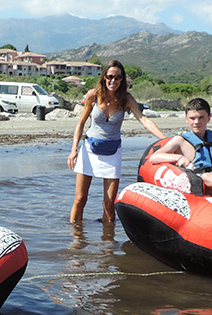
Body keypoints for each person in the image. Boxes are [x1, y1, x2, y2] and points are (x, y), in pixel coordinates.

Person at [68, 60, 167, 223]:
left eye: (117, 77)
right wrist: (74, 150)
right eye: (110, 76)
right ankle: (75, 237)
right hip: (89, 150)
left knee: (109, 203)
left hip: (113, 152)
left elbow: (143, 120)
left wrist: (165, 140)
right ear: (104, 77)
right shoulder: (93, 95)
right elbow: (81, 123)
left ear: (122, 80)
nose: (113, 81)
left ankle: (108, 238)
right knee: (80, 199)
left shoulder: (126, 99)